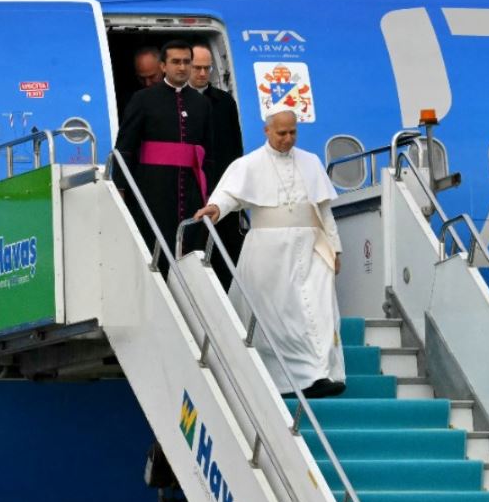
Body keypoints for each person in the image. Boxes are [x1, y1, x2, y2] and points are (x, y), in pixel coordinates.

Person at [197, 108, 346, 399]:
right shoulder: (249, 164)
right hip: (269, 250)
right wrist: (216, 208)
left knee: (318, 310)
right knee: (279, 315)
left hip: (312, 246)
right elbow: (229, 195)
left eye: (292, 132)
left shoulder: (311, 162)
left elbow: (324, 210)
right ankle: (285, 380)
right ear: (267, 131)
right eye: (281, 133)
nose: (288, 139)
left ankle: (321, 374)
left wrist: (336, 249)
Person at [116, 40, 214, 259]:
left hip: (190, 190)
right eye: (175, 62)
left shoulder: (201, 103)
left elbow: (209, 154)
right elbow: (125, 147)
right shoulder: (142, 99)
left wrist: (210, 193)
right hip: (152, 187)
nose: (182, 67)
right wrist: (120, 188)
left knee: (188, 247)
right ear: (163, 66)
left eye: (186, 62)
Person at [188, 42, 244, 276]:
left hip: (222, 184)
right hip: (190, 184)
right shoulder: (177, 101)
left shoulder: (224, 102)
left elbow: (235, 148)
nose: (203, 73)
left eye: (207, 68)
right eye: (197, 67)